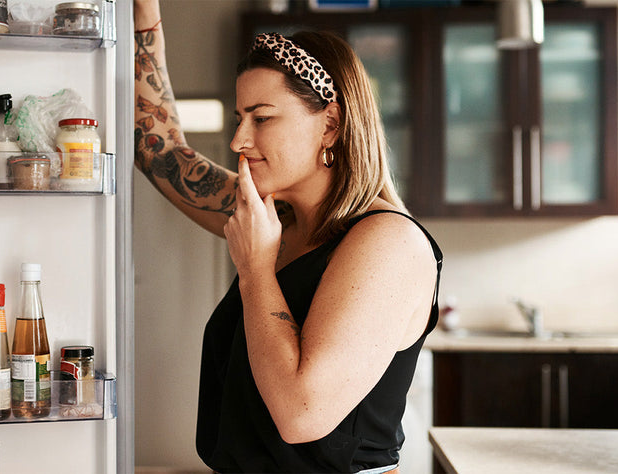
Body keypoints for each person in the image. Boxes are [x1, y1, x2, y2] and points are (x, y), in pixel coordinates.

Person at [133, 1, 443, 472]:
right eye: (241, 117)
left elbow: (303, 415)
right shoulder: (275, 216)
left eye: (262, 118)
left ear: (331, 125)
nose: (239, 139)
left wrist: (256, 269)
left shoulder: (388, 243)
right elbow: (161, 153)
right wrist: (143, 13)